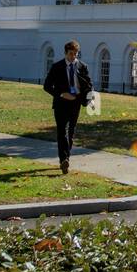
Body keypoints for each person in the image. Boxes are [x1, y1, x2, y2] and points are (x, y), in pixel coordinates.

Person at [43, 39, 92, 174]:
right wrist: (61, 94)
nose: (73, 56)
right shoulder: (57, 67)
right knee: (61, 131)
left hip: (75, 102)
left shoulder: (82, 67)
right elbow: (47, 86)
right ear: (66, 53)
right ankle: (63, 159)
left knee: (71, 132)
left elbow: (88, 85)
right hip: (61, 102)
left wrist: (88, 99)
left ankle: (66, 158)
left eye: (76, 54)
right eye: (71, 53)